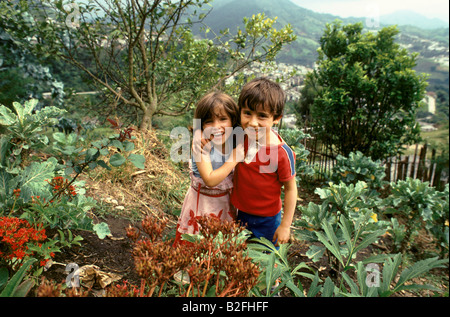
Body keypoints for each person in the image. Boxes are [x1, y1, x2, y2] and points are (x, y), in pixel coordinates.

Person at [231, 77, 298, 248]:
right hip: (238, 212)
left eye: (262, 116)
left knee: (267, 259)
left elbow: (291, 189)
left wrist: (285, 225)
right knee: (240, 256)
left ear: (276, 118)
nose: (253, 122)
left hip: (267, 220)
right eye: (247, 113)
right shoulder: (241, 137)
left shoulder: (282, 153)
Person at [173, 91, 243, 247]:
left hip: (225, 206)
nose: (216, 127)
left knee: (220, 248)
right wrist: (233, 159)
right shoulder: (201, 145)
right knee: (197, 244)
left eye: (223, 119)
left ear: (233, 121)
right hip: (202, 206)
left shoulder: (233, 142)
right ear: (201, 124)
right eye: (209, 121)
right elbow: (210, 180)